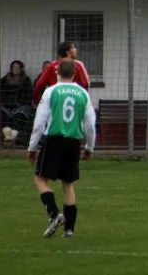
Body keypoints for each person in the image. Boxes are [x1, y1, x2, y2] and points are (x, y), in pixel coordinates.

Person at [27, 59, 96, 238]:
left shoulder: (51, 91)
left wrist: (32, 147)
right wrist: (90, 146)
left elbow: (40, 121)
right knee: (68, 184)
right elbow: (89, 123)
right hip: (73, 142)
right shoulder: (83, 93)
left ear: (57, 73)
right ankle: (70, 229)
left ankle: (54, 214)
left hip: (54, 140)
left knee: (40, 180)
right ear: (75, 74)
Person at [33, 41, 90, 107]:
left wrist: (37, 102)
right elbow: (85, 85)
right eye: (73, 48)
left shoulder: (51, 66)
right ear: (68, 52)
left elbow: (39, 85)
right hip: (74, 103)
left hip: (55, 103)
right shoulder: (78, 65)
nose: (76, 50)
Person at [1, 60, 34, 141]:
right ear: (11, 69)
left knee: (20, 115)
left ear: (21, 69)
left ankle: (15, 134)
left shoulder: (26, 81)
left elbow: (29, 96)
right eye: (14, 67)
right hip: (7, 105)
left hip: (22, 105)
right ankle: (6, 133)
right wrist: (8, 102)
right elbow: (1, 95)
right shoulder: (4, 80)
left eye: (18, 67)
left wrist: (20, 102)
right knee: (3, 113)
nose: (16, 69)